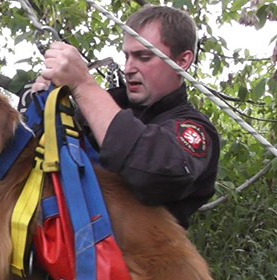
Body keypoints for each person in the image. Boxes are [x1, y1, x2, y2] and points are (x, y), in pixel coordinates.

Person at [32, 5, 219, 229]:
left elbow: (156, 172)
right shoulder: (107, 104)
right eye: (127, 56)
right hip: (63, 244)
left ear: (182, 61)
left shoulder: (194, 130)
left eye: (144, 57)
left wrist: (83, 85)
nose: (129, 67)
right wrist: (43, 104)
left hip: (138, 260)